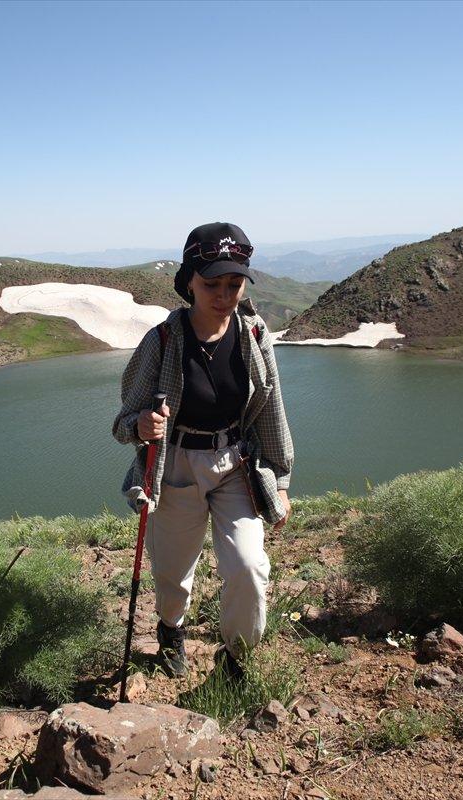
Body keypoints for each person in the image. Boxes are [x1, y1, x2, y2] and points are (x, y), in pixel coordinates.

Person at [111, 221, 294, 679]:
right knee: (172, 572)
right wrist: (140, 425)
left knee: (249, 566)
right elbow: (121, 423)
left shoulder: (254, 334)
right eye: (211, 283)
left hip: (236, 465)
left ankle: (236, 657)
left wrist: (283, 479)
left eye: (233, 283)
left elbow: (271, 409)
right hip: (175, 468)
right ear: (188, 281)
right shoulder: (163, 341)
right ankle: (172, 630)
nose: (224, 294)